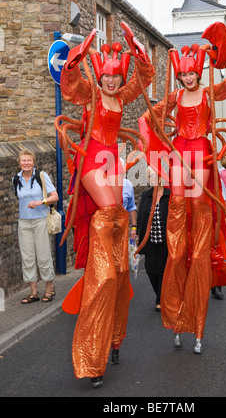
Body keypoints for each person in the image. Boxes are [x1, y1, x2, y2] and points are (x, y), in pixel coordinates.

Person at [139, 22, 226, 354]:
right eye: (183, 74)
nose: (187, 78)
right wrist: (158, 154)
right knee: (177, 242)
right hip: (179, 159)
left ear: (198, 72)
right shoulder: (173, 97)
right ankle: (176, 314)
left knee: (199, 241)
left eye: (191, 74)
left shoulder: (210, 90)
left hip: (200, 156)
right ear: (179, 74)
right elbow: (147, 119)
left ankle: (196, 320)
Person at [57, 24, 155, 388]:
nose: (112, 83)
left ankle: (115, 337)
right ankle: (90, 356)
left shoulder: (122, 97)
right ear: (98, 75)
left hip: (113, 160)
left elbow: (144, 80)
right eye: (106, 77)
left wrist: (137, 49)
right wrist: (74, 60)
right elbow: (69, 87)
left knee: (119, 257)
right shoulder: (91, 96)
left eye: (117, 78)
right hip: (92, 161)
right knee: (107, 250)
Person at [13, 149, 58, 304]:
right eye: (23, 160)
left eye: (29, 160)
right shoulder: (16, 179)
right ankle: (33, 292)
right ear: (19, 162)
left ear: (33, 162)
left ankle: (50, 288)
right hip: (23, 223)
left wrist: (40, 202)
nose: (26, 163)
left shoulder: (41, 176)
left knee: (43, 255)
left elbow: (55, 196)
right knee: (27, 258)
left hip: (40, 221)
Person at [137, 167, 170, 311]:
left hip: (166, 239)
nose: (153, 179)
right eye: (150, 176)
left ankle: (160, 299)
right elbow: (141, 216)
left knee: (163, 270)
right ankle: (160, 294)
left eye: (155, 175)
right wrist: (138, 233)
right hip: (149, 239)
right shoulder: (146, 195)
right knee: (150, 269)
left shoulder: (170, 195)